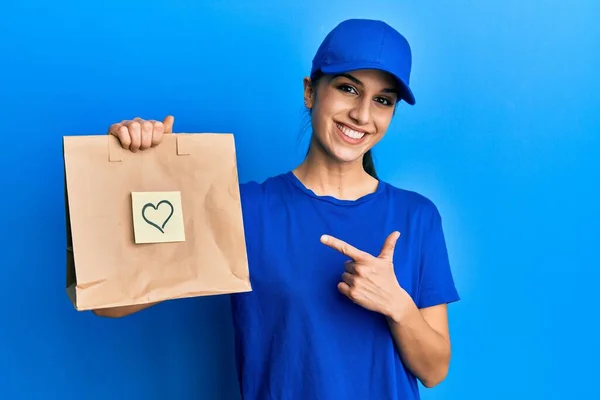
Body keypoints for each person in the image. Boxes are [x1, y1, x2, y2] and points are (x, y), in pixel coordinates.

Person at [93, 18, 460, 400]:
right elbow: (109, 305)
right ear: (309, 91)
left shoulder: (417, 217)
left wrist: (396, 303)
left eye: (382, 100)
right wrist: (134, 168)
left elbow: (434, 371)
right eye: (348, 88)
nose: (363, 115)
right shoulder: (245, 210)